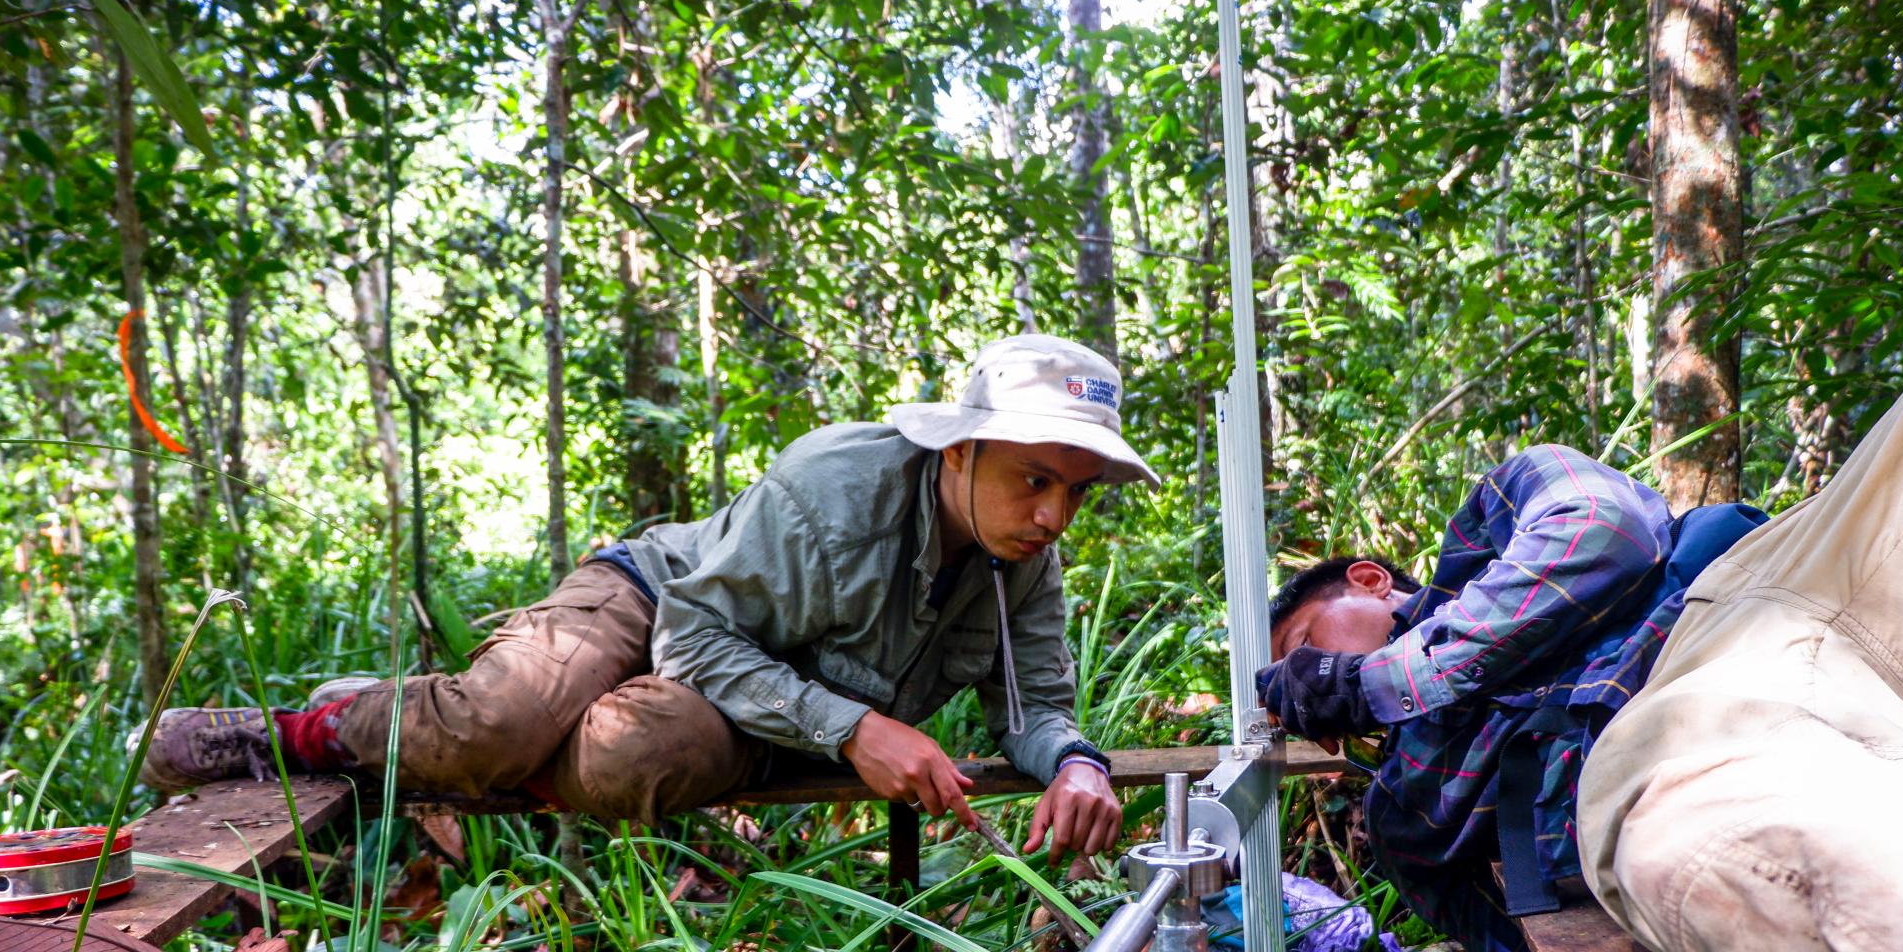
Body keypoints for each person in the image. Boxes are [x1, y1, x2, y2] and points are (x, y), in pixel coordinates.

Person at [140, 335, 1151, 862]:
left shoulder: (1022, 557)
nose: (1055, 513)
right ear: (959, 447)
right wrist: (854, 727)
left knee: (633, 755)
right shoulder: (835, 489)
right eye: (1034, 478)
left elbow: (1033, 705)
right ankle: (313, 727)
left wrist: (1072, 762)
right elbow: (692, 628)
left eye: (1076, 491)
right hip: (657, 601)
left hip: (750, 704)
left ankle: (456, 736)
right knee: (499, 717)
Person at [1255, 445, 1763, 952]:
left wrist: (1372, 680)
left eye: (1304, 645)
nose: (1307, 679)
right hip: (1729, 831)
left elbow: (1605, 529)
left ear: (1368, 581)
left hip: (1769, 636)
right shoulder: (1418, 807)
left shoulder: (1490, 527)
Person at [1578, 346, 1903, 952]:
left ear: (1364, 580)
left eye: (1304, 642)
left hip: (1813, 664)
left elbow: (1594, 521)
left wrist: (1387, 676)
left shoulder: (1501, 538)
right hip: (1786, 698)